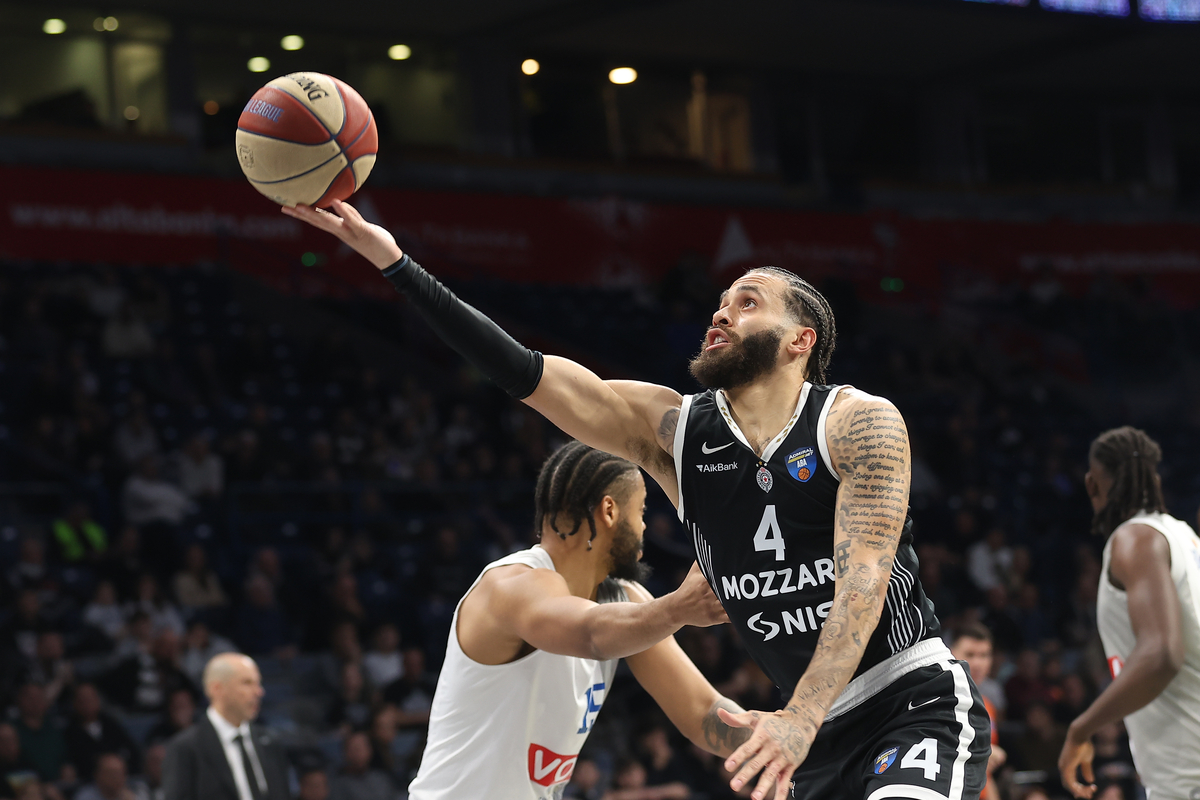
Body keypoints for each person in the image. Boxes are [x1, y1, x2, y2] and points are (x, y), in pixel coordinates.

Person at [286, 199, 991, 800]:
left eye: (747, 304)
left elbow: (863, 579)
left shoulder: (857, 421)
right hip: (809, 740)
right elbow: (528, 375)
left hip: (907, 699)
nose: (720, 314)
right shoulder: (677, 435)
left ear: (798, 342)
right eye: (719, 303)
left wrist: (798, 718)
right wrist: (397, 265)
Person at [405, 441, 748, 800]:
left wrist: (785, 739)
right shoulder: (511, 586)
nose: (645, 526)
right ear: (610, 511)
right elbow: (591, 635)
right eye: (641, 510)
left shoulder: (626, 600)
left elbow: (703, 712)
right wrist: (678, 608)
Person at [1058, 427, 1200, 800]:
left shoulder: (1134, 539)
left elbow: (1162, 653)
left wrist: (1081, 729)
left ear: (1092, 485)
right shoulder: (1185, 537)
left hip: (1188, 777)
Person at [161, 653, 290, 800]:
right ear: (216, 689)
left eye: (258, 683)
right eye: (247, 683)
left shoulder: (270, 742)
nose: (259, 692)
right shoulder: (185, 748)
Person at [950, 625, 1006, 800]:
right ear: (950, 653)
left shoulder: (987, 706)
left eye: (984, 655)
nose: (977, 663)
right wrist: (980, 753)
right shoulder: (935, 701)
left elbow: (985, 774)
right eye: (970, 655)